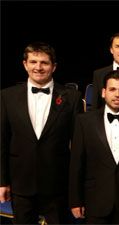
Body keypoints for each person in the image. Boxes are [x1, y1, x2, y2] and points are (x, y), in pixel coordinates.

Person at [0, 42, 83, 224]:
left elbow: (78, 147)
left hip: (57, 185)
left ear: (54, 66)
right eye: (33, 62)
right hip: (20, 183)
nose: (38, 67)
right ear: (25, 64)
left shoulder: (72, 98)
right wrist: (2, 181)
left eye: (44, 63)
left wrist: (75, 190)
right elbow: (2, 141)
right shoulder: (7, 96)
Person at [69, 70, 119, 224]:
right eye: (112, 89)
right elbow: (76, 163)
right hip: (94, 201)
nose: (117, 95)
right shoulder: (84, 121)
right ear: (103, 92)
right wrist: (75, 200)